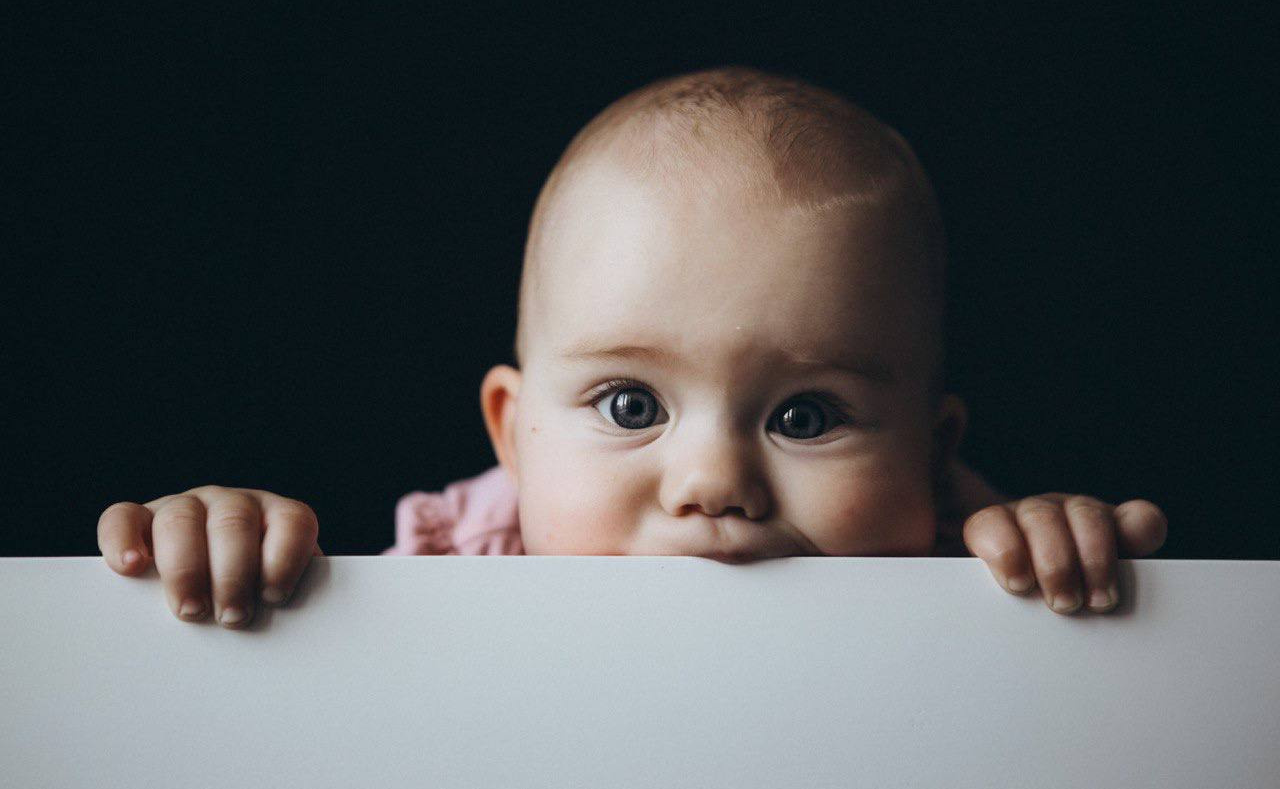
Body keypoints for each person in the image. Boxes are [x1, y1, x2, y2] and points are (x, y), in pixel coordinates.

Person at [96, 66, 1167, 628]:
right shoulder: (446, 575)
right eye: (629, 405)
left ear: (929, 457)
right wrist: (236, 559)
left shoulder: (971, 580)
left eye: (804, 415)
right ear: (511, 438)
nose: (712, 484)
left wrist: (1046, 573)